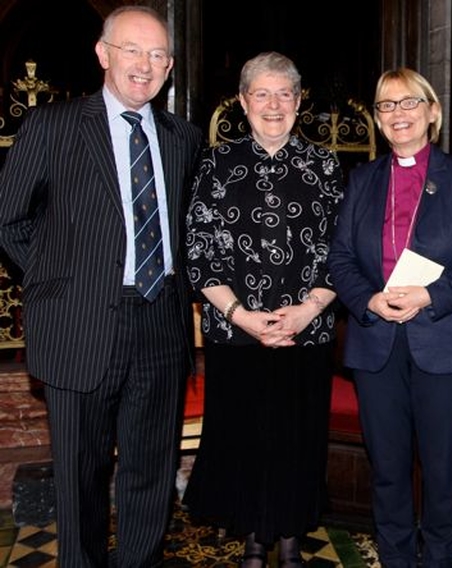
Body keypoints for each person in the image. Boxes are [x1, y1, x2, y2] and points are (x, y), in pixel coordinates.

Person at [0, 6, 202, 566]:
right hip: (78, 327)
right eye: (133, 50)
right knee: (80, 476)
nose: (145, 64)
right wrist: (56, 282)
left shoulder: (182, 138)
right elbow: (7, 219)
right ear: (103, 53)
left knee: (149, 471)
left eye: (158, 54)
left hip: (161, 326)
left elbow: (183, 231)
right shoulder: (53, 127)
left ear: (169, 67)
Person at [181, 51, 344, 568]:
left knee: (298, 436)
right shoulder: (215, 163)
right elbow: (198, 248)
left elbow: (342, 250)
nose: (273, 104)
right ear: (243, 101)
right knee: (245, 435)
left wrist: (307, 310)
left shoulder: (326, 164)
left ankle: (292, 537)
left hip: (306, 331)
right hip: (236, 333)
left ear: (299, 102)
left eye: (284, 94)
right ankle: (254, 535)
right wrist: (242, 317)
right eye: (262, 93)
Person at [327, 68, 452, 567]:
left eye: (408, 103)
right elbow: (339, 259)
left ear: (432, 112)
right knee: (388, 469)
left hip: (444, 345)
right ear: (378, 119)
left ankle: (439, 559)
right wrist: (367, 300)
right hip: (376, 343)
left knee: (442, 470)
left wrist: (429, 295)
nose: (398, 114)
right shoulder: (362, 179)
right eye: (386, 105)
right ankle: (396, 559)